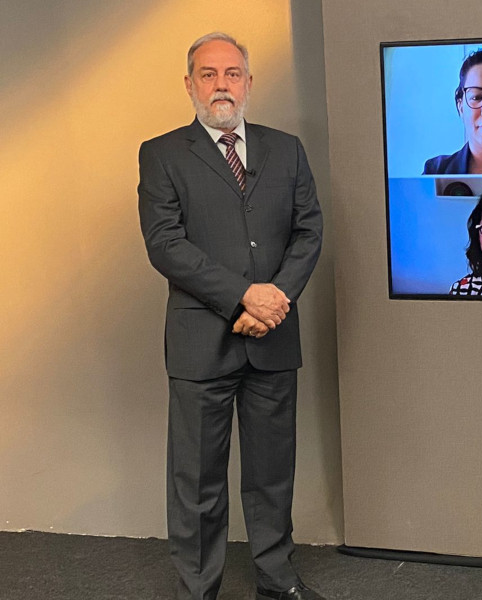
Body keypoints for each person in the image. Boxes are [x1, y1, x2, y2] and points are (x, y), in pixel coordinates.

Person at [138, 33, 325, 600]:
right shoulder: (162, 153)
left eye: (233, 73)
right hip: (202, 343)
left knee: (272, 477)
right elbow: (165, 244)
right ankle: (199, 590)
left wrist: (275, 301)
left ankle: (277, 580)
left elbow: (308, 230)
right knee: (197, 482)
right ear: (190, 83)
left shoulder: (286, 148)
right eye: (209, 74)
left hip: (273, 337)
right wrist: (246, 297)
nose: (222, 84)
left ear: (248, 81)